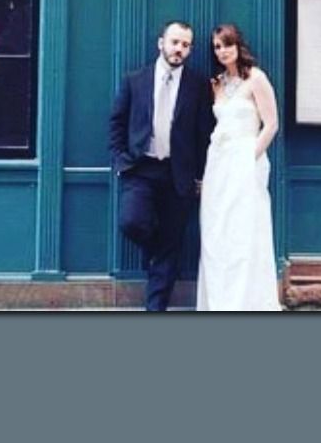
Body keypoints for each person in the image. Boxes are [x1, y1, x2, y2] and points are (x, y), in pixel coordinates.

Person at [109, 20, 215, 312]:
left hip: (178, 174)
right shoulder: (135, 80)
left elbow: (204, 133)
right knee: (132, 222)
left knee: (172, 242)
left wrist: (201, 175)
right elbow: (117, 122)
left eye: (185, 45)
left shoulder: (198, 85)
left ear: (190, 50)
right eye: (174, 42)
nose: (179, 49)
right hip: (140, 169)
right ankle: (156, 254)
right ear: (161, 43)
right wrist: (120, 160)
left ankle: (155, 311)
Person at [196, 22, 283, 311]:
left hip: (246, 159)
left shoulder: (256, 78)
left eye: (227, 44)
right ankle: (220, 302)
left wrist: (250, 157)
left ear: (238, 45)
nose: (222, 51)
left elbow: (271, 124)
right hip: (218, 161)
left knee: (244, 230)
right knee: (217, 231)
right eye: (217, 47)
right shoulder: (217, 83)